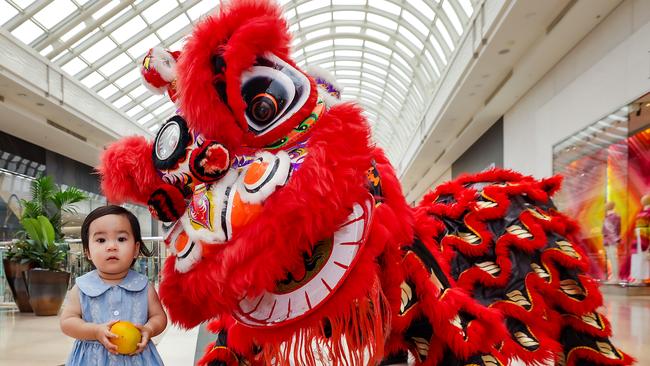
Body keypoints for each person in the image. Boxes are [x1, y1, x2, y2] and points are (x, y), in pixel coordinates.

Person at [60, 205, 166, 365]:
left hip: (137, 358)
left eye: (121, 239)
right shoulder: (82, 287)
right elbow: (67, 322)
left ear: (136, 249)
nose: (112, 246)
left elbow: (159, 317)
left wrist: (149, 329)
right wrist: (94, 331)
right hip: (93, 360)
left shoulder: (143, 286)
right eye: (101, 240)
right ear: (88, 251)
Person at [602, 201, 621, 282]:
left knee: (614, 259)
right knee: (611, 259)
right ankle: (614, 277)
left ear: (612, 206)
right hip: (607, 241)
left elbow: (617, 229)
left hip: (613, 240)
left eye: (607, 205)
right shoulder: (607, 217)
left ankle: (616, 277)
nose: (605, 206)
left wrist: (616, 239)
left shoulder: (615, 217)